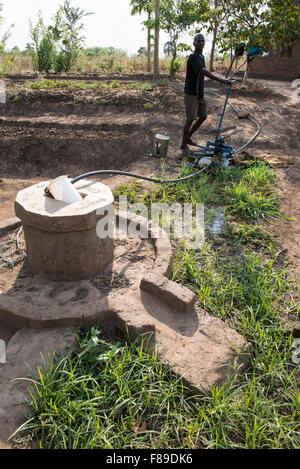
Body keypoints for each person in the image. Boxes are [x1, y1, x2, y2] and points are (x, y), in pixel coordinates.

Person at [178, 33, 234, 158]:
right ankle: (183, 144)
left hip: (199, 93)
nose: (201, 43)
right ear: (194, 43)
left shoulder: (202, 57)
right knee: (190, 119)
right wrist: (222, 80)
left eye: (203, 41)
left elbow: (203, 73)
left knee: (203, 116)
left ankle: (188, 137)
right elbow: (203, 71)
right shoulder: (193, 57)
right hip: (191, 93)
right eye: (198, 41)